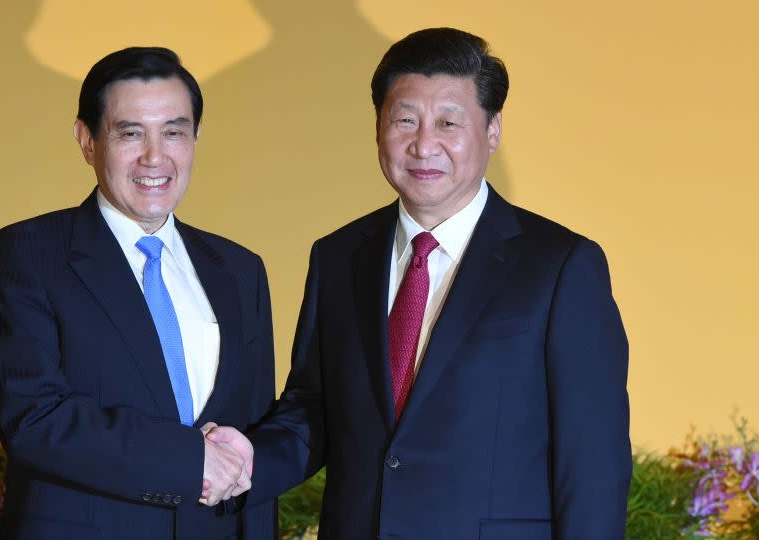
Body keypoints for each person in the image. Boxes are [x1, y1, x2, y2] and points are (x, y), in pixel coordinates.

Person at [209, 27, 631, 538]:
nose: (423, 144)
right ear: (379, 126)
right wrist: (251, 457)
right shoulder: (339, 256)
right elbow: (315, 410)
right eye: (404, 120)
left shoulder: (562, 266)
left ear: (492, 129)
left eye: (449, 122)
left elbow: (592, 466)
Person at [0, 47, 276, 539]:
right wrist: (189, 458)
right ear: (87, 140)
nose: (155, 157)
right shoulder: (25, 256)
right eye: (130, 133)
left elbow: (249, 439)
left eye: (174, 132)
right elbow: (34, 419)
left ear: (195, 138)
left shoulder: (240, 270)